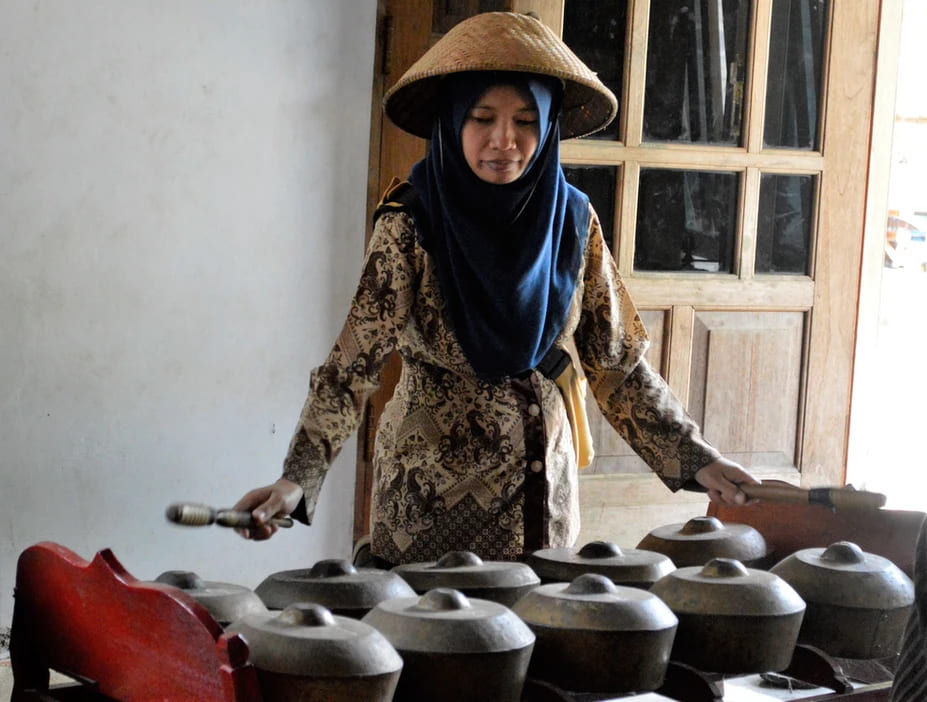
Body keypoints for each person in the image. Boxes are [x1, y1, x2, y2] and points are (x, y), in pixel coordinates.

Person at [233, 11, 759, 564]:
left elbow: (618, 367)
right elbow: (351, 367)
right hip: (427, 514)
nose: (504, 140)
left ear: (550, 127)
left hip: (542, 506)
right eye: (482, 118)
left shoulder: (574, 223)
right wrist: (298, 479)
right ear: (453, 121)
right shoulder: (411, 225)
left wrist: (697, 458)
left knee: (538, 638)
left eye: (527, 121)